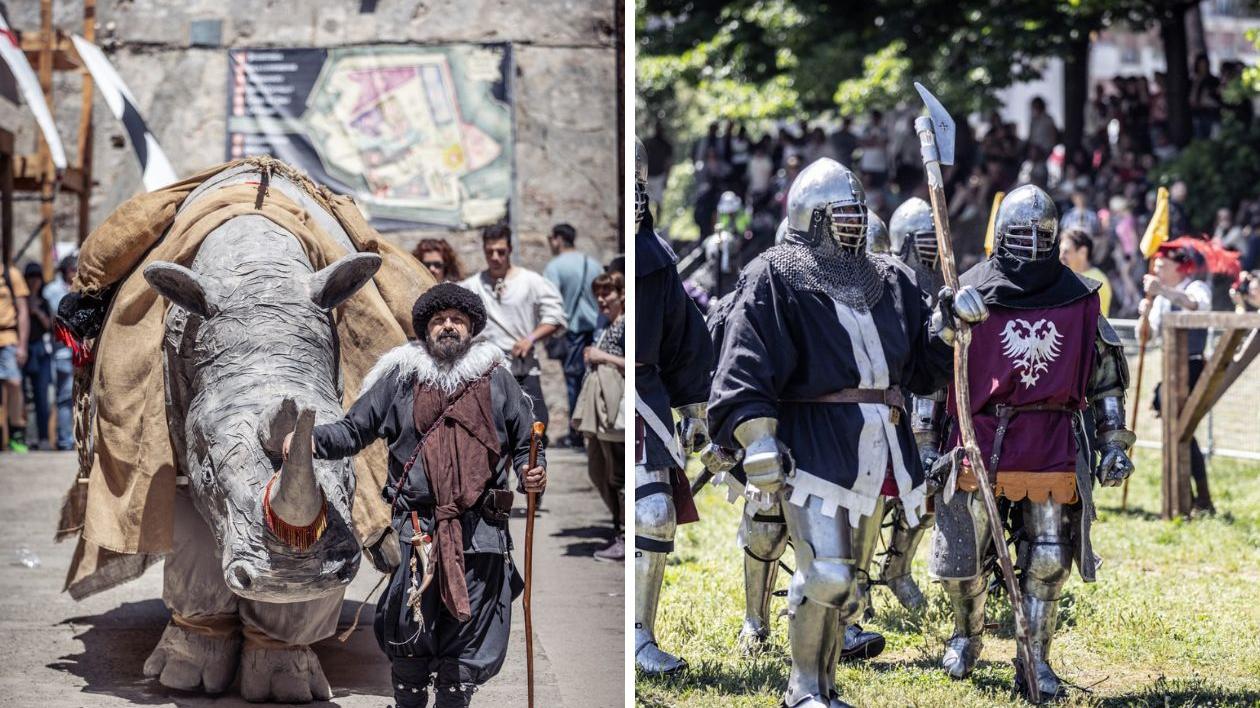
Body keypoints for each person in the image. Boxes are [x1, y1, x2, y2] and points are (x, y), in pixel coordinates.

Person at [708, 157, 987, 707]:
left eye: (857, 213)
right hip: (814, 442)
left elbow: (921, 370)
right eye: (841, 215)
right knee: (828, 575)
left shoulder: (890, 278)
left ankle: (828, 686)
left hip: (880, 445)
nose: (854, 223)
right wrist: (758, 436)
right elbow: (745, 364)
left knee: (850, 587)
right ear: (811, 217)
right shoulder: (775, 272)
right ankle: (802, 688)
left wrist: (949, 328)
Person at [925, 184, 1135, 701]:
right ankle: (966, 634)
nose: (1031, 243)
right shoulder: (969, 288)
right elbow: (930, 375)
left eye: (1042, 235)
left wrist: (1112, 441)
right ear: (1001, 235)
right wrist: (948, 321)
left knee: (1048, 559)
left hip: (1049, 438)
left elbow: (1104, 374)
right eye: (1020, 233)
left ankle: (1034, 659)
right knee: (964, 558)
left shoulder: (1079, 296)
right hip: (979, 436)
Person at [292, 283, 546, 708]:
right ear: (426, 330)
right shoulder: (400, 380)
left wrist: (531, 472)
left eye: (457, 320)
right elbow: (354, 430)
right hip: (418, 533)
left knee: (466, 645)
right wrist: (306, 440)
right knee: (410, 633)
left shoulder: (497, 379)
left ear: (472, 328)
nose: (448, 326)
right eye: (438, 320)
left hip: (480, 534)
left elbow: (526, 444)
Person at [634, 137, 713, 675]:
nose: (636, 197)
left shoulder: (658, 257)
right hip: (610, 392)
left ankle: (642, 635)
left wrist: (695, 410)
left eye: (641, 186)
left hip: (650, 394)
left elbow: (683, 334)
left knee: (656, 516)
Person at [460, 225, 566, 433]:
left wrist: (530, 339)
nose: (495, 257)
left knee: (536, 426)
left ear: (510, 249)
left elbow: (555, 317)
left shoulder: (531, 281)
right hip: (488, 370)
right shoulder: (473, 286)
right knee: (493, 432)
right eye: (490, 252)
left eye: (501, 251)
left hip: (523, 368)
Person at [1143, 244, 1214, 512]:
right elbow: (1146, 338)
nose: (1156, 270)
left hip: (1194, 367)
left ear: (1178, 267)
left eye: (1161, 266)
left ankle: (1199, 497)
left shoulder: (1196, 287)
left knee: (1182, 431)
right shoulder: (1160, 298)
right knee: (1180, 433)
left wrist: (1161, 292)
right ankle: (1193, 497)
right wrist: (1145, 312)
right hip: (1170, 369)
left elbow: (1195, 306)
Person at [574, 271, 626, 561]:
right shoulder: (606, 325)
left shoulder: (627, 325)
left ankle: (622, 535)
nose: (602, 299)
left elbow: (636, 363)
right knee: (598, 470)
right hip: (599, 410)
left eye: (608, 293)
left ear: (622, 295)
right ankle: (619, 526)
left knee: (616, 473)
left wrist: (601, 357)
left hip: (614, 410)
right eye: (599, 294)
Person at [543, 223, 603, 448]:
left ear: (558, 239)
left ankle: (576, 433)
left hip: (572, 333)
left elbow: (550, 301)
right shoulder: (593, 264)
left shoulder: (555, 267)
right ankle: (594, 430)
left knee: (573, 383)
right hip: (597, 331)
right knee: (596, 381)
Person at [43, 255, 77, 450]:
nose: (75, 273)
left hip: (82, 351)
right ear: (65, 270)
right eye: (72, 269)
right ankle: (65, 441)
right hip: (63, 352)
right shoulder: (52, 291)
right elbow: (61, 316)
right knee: (64, 397)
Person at [21, 263, 54, 450]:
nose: (34, 281)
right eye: (30, 277)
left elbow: (50, 326)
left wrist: (36, 310)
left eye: (37, 277)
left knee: (42, 397)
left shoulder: (44, 301)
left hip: (41, 352)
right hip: (25, 351)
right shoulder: (20, 301)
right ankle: (24, 437)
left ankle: (43, 438)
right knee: (24, 398)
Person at [0, 260, 30, 453]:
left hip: (8, 336)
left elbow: (23, 311)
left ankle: (17, 431)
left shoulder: (11, 274)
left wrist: (22, 345)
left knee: (14, 383)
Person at [1059, 229, 1114, 315]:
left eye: (1066, 251)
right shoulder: (1064, 277)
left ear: (1082, 252)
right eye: (1060, 251)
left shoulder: (1096, 281)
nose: (1061, 256)